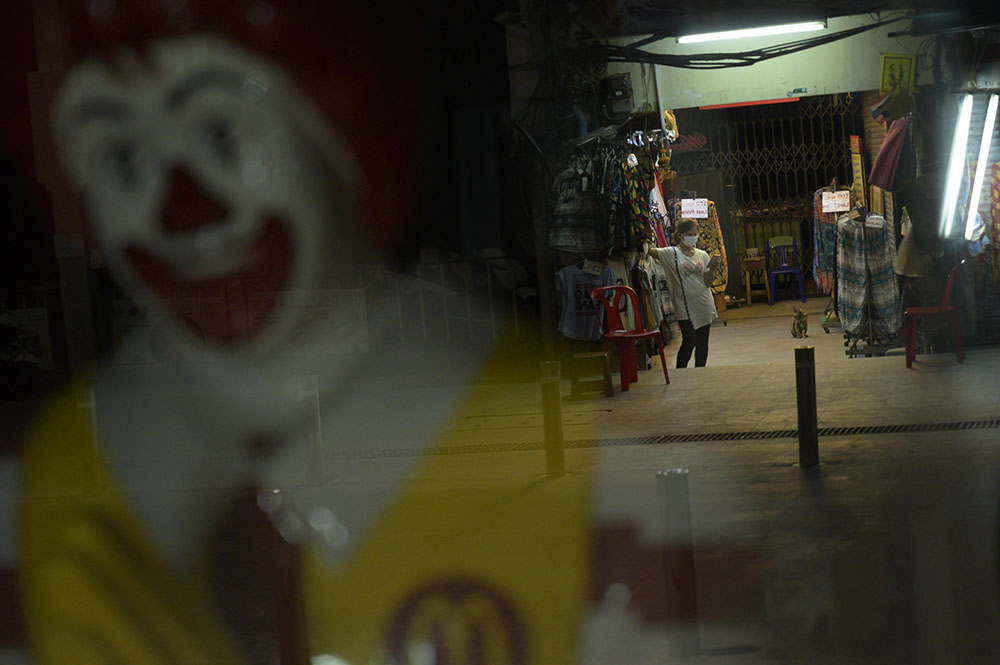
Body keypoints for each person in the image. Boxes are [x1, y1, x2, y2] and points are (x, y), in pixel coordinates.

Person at [649, 220, 720, 367]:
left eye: (695, 234)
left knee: (702, 343)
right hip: (684, 306)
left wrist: (712, 268)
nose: (693, 237)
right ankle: (681, 372)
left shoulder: (702, 254)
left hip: (704, 303)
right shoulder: (671, 253)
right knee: (689, 341)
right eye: (690, 234)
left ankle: (700, 371)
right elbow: (650, 251)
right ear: (680, 235)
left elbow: (707, 282)